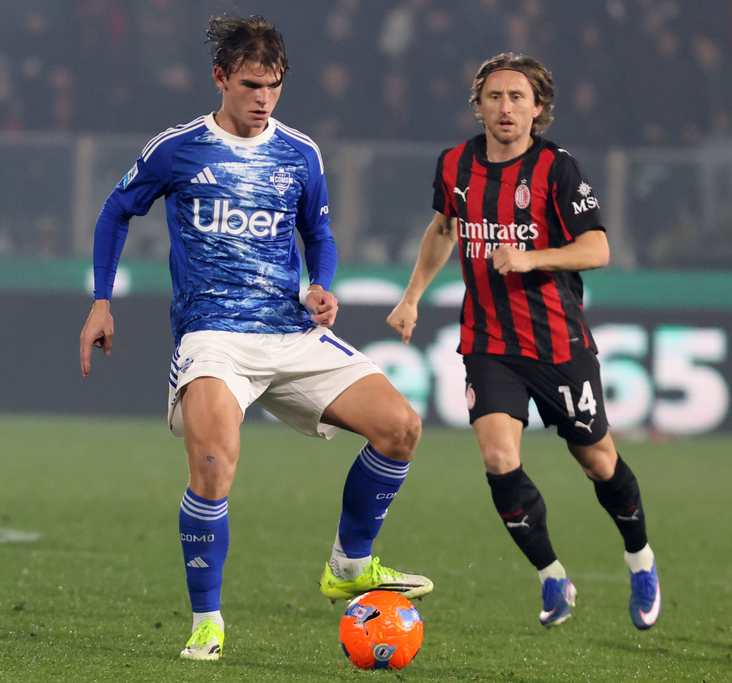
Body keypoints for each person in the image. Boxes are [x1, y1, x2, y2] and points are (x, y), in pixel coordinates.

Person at [78, 14, 432, 662]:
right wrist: (102, 301)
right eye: (250, 84)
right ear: (221, 78)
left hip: (289, 330)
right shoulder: (179, 148)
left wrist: (323, 283)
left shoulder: (299, 152)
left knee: (402, 426)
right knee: (213, 466)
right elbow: (115, 210)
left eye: (272, 85)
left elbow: (317, 231)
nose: (263, 98)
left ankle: (350, 564)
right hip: (214, 335)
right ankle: (207, 620)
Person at [387, 53, 660, 630]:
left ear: (539, 108)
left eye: (518, 98)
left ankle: (640, 559)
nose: (506, 108)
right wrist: (411, 296)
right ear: (479, 105)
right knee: (497, 457)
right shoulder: (455, 164)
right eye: (495, 97)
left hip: (558, 342)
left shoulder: (559, 169)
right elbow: (443, 229)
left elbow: (599, 249)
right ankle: (552, 577)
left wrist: (531, 257)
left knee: (597, 460)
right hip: (487, 337)